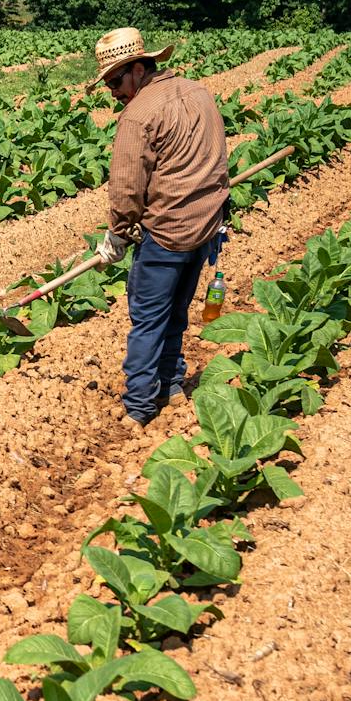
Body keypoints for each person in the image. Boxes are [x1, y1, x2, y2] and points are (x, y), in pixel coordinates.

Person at [90, 27, 228, 426]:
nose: (113, 91)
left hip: (167, 234)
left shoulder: (138, 115)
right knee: (177, 312)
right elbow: (217, 156)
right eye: (108, 84)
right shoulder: (199, 92)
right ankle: (171, 383)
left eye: (116, 81)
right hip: (205, 228)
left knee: (148, 319)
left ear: (138, 68)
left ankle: (139, 408)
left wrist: (117, 234)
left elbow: (127, 189)